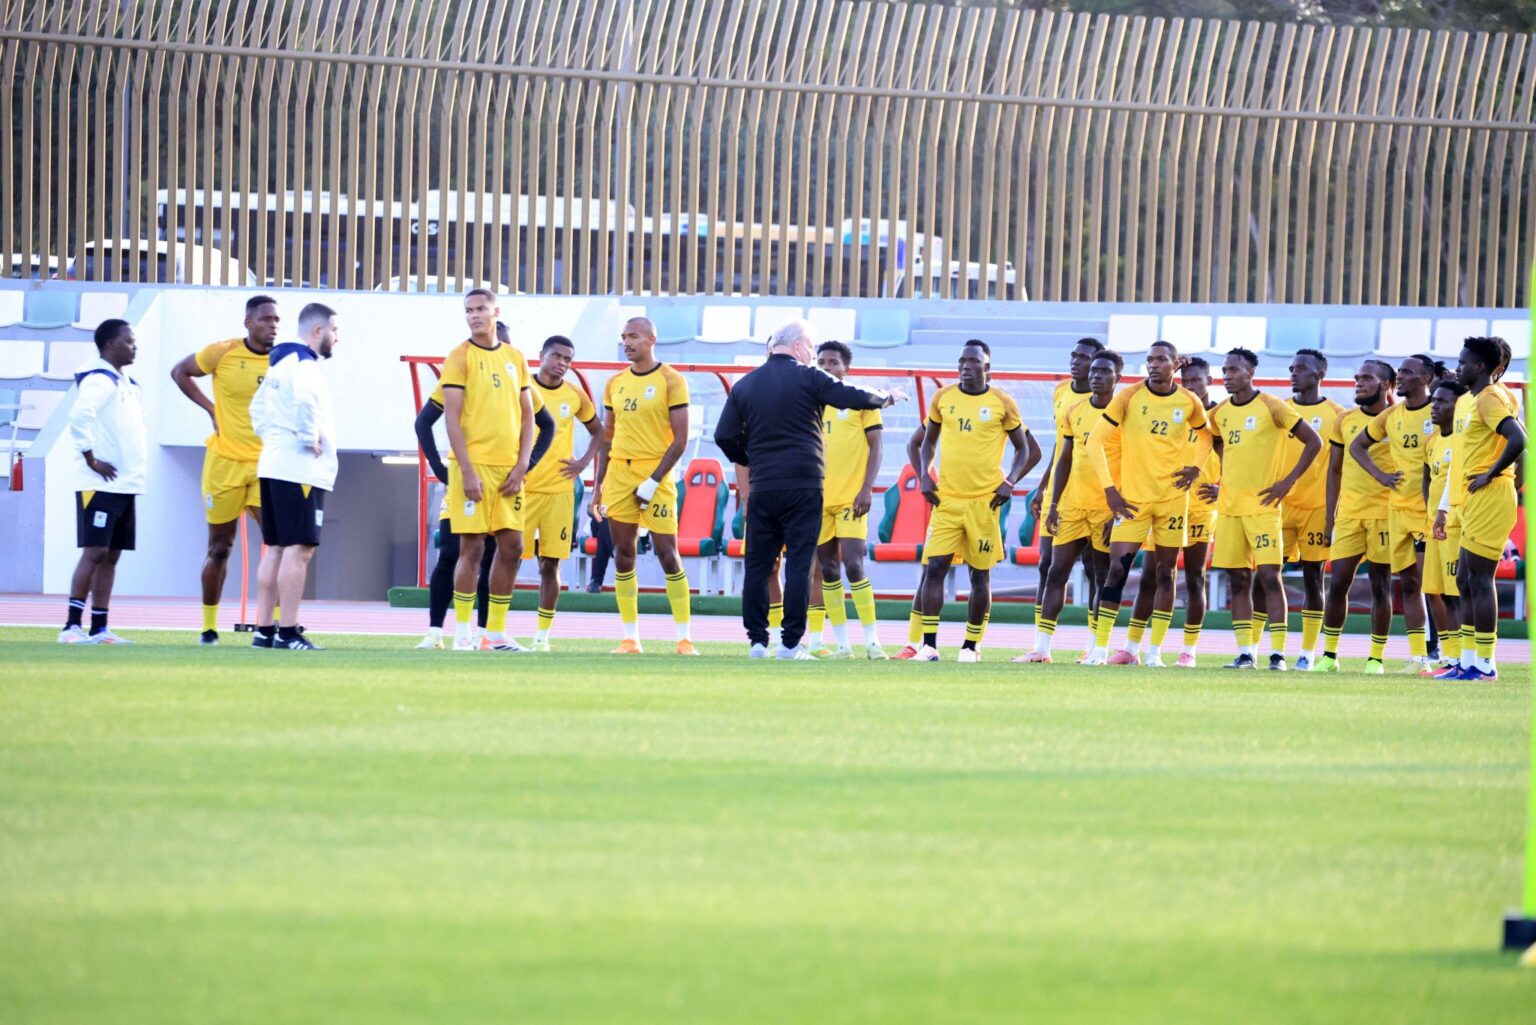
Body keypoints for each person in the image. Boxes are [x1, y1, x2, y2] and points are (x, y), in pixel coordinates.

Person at [713, 319, 904, 658]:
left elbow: (723, 435)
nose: (814, 356)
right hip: (804, 484)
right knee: (800, 562)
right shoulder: (809, 376)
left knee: (758, 563)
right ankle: (790, 644)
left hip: (763, 485)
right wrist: (886, 398)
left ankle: (757, 641)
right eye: (812, 349)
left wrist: (751, 458)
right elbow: (850, 395)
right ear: (799, 346)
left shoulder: (746, 384)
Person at [412, 324, 553, 649]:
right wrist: (443, 470)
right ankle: (439, 631)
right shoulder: (463, 368)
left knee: (505, 551)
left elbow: (545, 424)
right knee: (455, 551)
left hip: (506, 476)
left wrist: (525, 466)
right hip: (469, 474)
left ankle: (489, 632)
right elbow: (424, 421)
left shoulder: (517, 372)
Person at [1081, 341, 1211, 666]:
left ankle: (1154, 653)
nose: (1153, 365)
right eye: (1150, 359)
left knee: (1166, 574)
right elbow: (1094, 440)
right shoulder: (1129, 396)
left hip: (1172, 502)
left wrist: (1196, 468)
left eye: (1161, 359)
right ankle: (1099, 650)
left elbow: (1207, 435)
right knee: (1117, 571)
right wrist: (1110, 490)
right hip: (1133, 503)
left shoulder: (1189, 401)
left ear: (1175, 364)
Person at [914, 341, 1040, 662]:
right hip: (947, 501)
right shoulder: (943, 398)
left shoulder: (1002, 402)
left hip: (984, 504)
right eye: (962, 361)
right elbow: (927, 443)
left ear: (987, 368)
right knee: (934, 568)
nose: (966, 366)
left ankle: (971, 646)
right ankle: (928, 645)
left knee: (979, 576)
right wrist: (925, 473)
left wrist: (1010, 481)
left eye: (973, 361)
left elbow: (1025, 449)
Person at [169, 294, 280, 644]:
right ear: (249, 323)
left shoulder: (284, 360)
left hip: (266, 466)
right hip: (224, 465)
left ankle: (277, 627)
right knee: (219, 548)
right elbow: (180, 372)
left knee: (278, 546)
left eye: (276, 320)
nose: (273, 325)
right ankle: (209, 628)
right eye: (266, 319)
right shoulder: (223, 352)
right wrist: (210, 408)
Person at [1206, 348, 1322, 671]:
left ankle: (1278, 654)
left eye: (1233, 370)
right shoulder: (1220, 413)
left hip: (1264, 508)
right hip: (1229, 509)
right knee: (1238, 580)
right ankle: (1246, 653)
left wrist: (1287, 482)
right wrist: (1224, 476)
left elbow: (1314, 441)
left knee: (1270, 576)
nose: (1227, 376)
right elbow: (1214, 440)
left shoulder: (1272, 406)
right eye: (1224, 370)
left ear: (1250, 373)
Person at [440, 291, 539, 652]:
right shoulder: (459, 357)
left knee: (513, 547)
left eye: (481, 309)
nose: (474, 315)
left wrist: (522, 464)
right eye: (468, 310)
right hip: (473, 466)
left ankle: (494, 633)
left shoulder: (515, 357)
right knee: (472, 547)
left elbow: (528, 416)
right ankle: (462, 633)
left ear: (496, 311)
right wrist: (467, 471)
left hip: (509, 469)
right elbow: (451, 419)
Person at [594, 316, 697, 654]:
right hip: (619, 475)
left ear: (651, 339)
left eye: (634, 336)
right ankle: (630, 638)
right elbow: (607, 437)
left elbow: (680, 440)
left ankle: (684, 639)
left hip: (657, 475)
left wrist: (652, 482)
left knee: (668, 554)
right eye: (624, 336)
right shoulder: (614, 383)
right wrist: (598, 486)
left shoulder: (672, 380)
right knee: (623, 555)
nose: (627, 342)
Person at [1017, 350, 1121, 663]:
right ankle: (1042, 649)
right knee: (1055, 571)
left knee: (1101, 576)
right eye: (1094, 371)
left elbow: (1133, 462)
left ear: (1117, 377)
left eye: (1104, 371)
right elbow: (1064, 458)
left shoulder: (1125, 414)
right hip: (1073, 506)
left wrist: (1118, 509)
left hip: (1105, 508)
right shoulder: (1074, 410)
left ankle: (1096, 649)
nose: (1096, 376)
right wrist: (1054, 503)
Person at [248, 302, 339, 650]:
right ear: (318, 331)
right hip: (299, 468)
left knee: (276, 548)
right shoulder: (304, 364)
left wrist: (274, 437)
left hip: (273, 462)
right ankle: (287, 632)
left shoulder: (279, 364)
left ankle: (264, 631)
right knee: (299, 549)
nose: (336, 337)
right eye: (334, 330)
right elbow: (304, 401)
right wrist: (306, 437)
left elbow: (256, 408)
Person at [1434, 336, 1524, 680]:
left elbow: (1520, 439)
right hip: (1468, 499)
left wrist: (1493, 472)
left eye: (1463, 362)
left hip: (1489, 497)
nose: (1458, 368)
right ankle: (1468, 661)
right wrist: (1446, 506)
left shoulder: (1489, 398)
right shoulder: (1467, 401)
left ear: (1481, 366)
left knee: (1480, 580)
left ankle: (1485, 665)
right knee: (1465, 580)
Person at [1347, 353, 1440, 672]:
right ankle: (1420, 658)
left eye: (1407, 372)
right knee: (1410, 585)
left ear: (1425, 379)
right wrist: (1381, 476)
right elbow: (1356, 446)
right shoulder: (1391, 416)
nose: (1400, 376)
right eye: (1399, 371)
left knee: (1434, 586)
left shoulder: (1441, 409)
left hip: (1430, 512)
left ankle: (1453, 656)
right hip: (1398, 510)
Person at [59, 319, 145, 645]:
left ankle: (99, 628)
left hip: (124, 484)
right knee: (94, 552)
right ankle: (71, 627)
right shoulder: (99, 379)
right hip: (99, 485)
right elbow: (79, 417)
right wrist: (90, 458)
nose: (134, 347)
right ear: (110, 344)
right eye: (129, 341)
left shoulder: (127, 383)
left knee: (111, 556)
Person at [1316, 360, 1396, 673]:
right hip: (1349, 514)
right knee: (1337, 583)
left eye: (1366, 378)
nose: (1358, 383)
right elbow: (1334, 470)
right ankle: (1329, 656)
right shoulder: (1345, 419)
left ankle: (1375, 658)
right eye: (1357, 378)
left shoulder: (1398, 419)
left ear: (1386, 385)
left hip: (1385, 514)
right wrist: (1330, 517)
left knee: (1380, 585)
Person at [809, 340, 887, 659]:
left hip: (852, 499)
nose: (827, 368)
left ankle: (872, 641)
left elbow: (876, 446)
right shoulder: (812, 402)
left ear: (846, 368)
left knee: (854, 564)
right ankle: (843, 644)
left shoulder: (861, 401)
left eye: (833, 363)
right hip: (818, 500)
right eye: (821, 362)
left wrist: (867, 487)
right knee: (828, 569)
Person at [523, 335, 600, 650]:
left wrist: (583, 463)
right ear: (541, 355)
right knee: (508, 558)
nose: (562, 363)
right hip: (522, 489)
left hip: (559, 492)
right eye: (556, 356)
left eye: (568, 359)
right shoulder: (523, 388)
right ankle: (492, 630)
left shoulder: (574, 394)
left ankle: (542, 637)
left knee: (550, 564)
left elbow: (599, 431)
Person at [1273, 348, 1343, 670]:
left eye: (1300, 368)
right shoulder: (1279, 409)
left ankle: (1307, 653)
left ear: (1319, 375)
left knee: (1314, 579)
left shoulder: (1337, 415)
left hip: (1317, 508)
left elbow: (1338, 469)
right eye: (1291, 368)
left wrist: (1332, 516)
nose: (1293, 373)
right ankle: (1265, 651)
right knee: (1267, 575)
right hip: (1280, 506)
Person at [1032, 337, 1104, 621]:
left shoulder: (1106, 402)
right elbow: (1061, 444)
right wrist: (1042, 486)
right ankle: (1040, 637)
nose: (1076, 361)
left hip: (1090, 493)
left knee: (1093, 568)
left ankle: (1095, 639)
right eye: (1074, 356)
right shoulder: (1061, 390)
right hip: (1058, 491)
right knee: (1047, 565)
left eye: (1084, 357)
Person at [1421, 379, 1466, 676]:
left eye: (1442, 401)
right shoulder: (1433, 440)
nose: (1434, 406)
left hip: (1457, 527)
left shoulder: (1464, 439)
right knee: (1438, 593)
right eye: (1434, 400)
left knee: (1458, 594)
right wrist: (1431, 510)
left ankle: (1467, 658)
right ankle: (1450, 658)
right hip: (1434, 527)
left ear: (1458, 406)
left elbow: (1523, 457)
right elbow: (1427, 477)